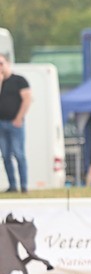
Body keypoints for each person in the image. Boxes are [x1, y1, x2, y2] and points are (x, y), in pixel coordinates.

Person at [0, 54, 31, 193]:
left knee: (19, 154)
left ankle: (24, 185)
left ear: (8, 63)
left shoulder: (19, 80)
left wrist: (19, 118)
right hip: (1, 123)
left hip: (15, 123)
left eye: (1, 63)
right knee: (6, 155)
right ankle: (12, 186)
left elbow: (27, 99)